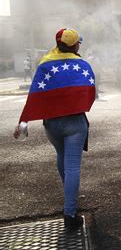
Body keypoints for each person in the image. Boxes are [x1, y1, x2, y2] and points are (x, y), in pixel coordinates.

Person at [13, 28, 96, 230]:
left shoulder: (45, 63)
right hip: (75, 123)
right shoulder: (81, 64)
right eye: (78, 43)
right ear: (75, 45)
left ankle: (70, 196)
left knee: (62, 158)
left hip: (51, 124)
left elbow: (35, 93)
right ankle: (70, 214)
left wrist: (24, 120)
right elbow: (91, 91)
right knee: (72, 167)